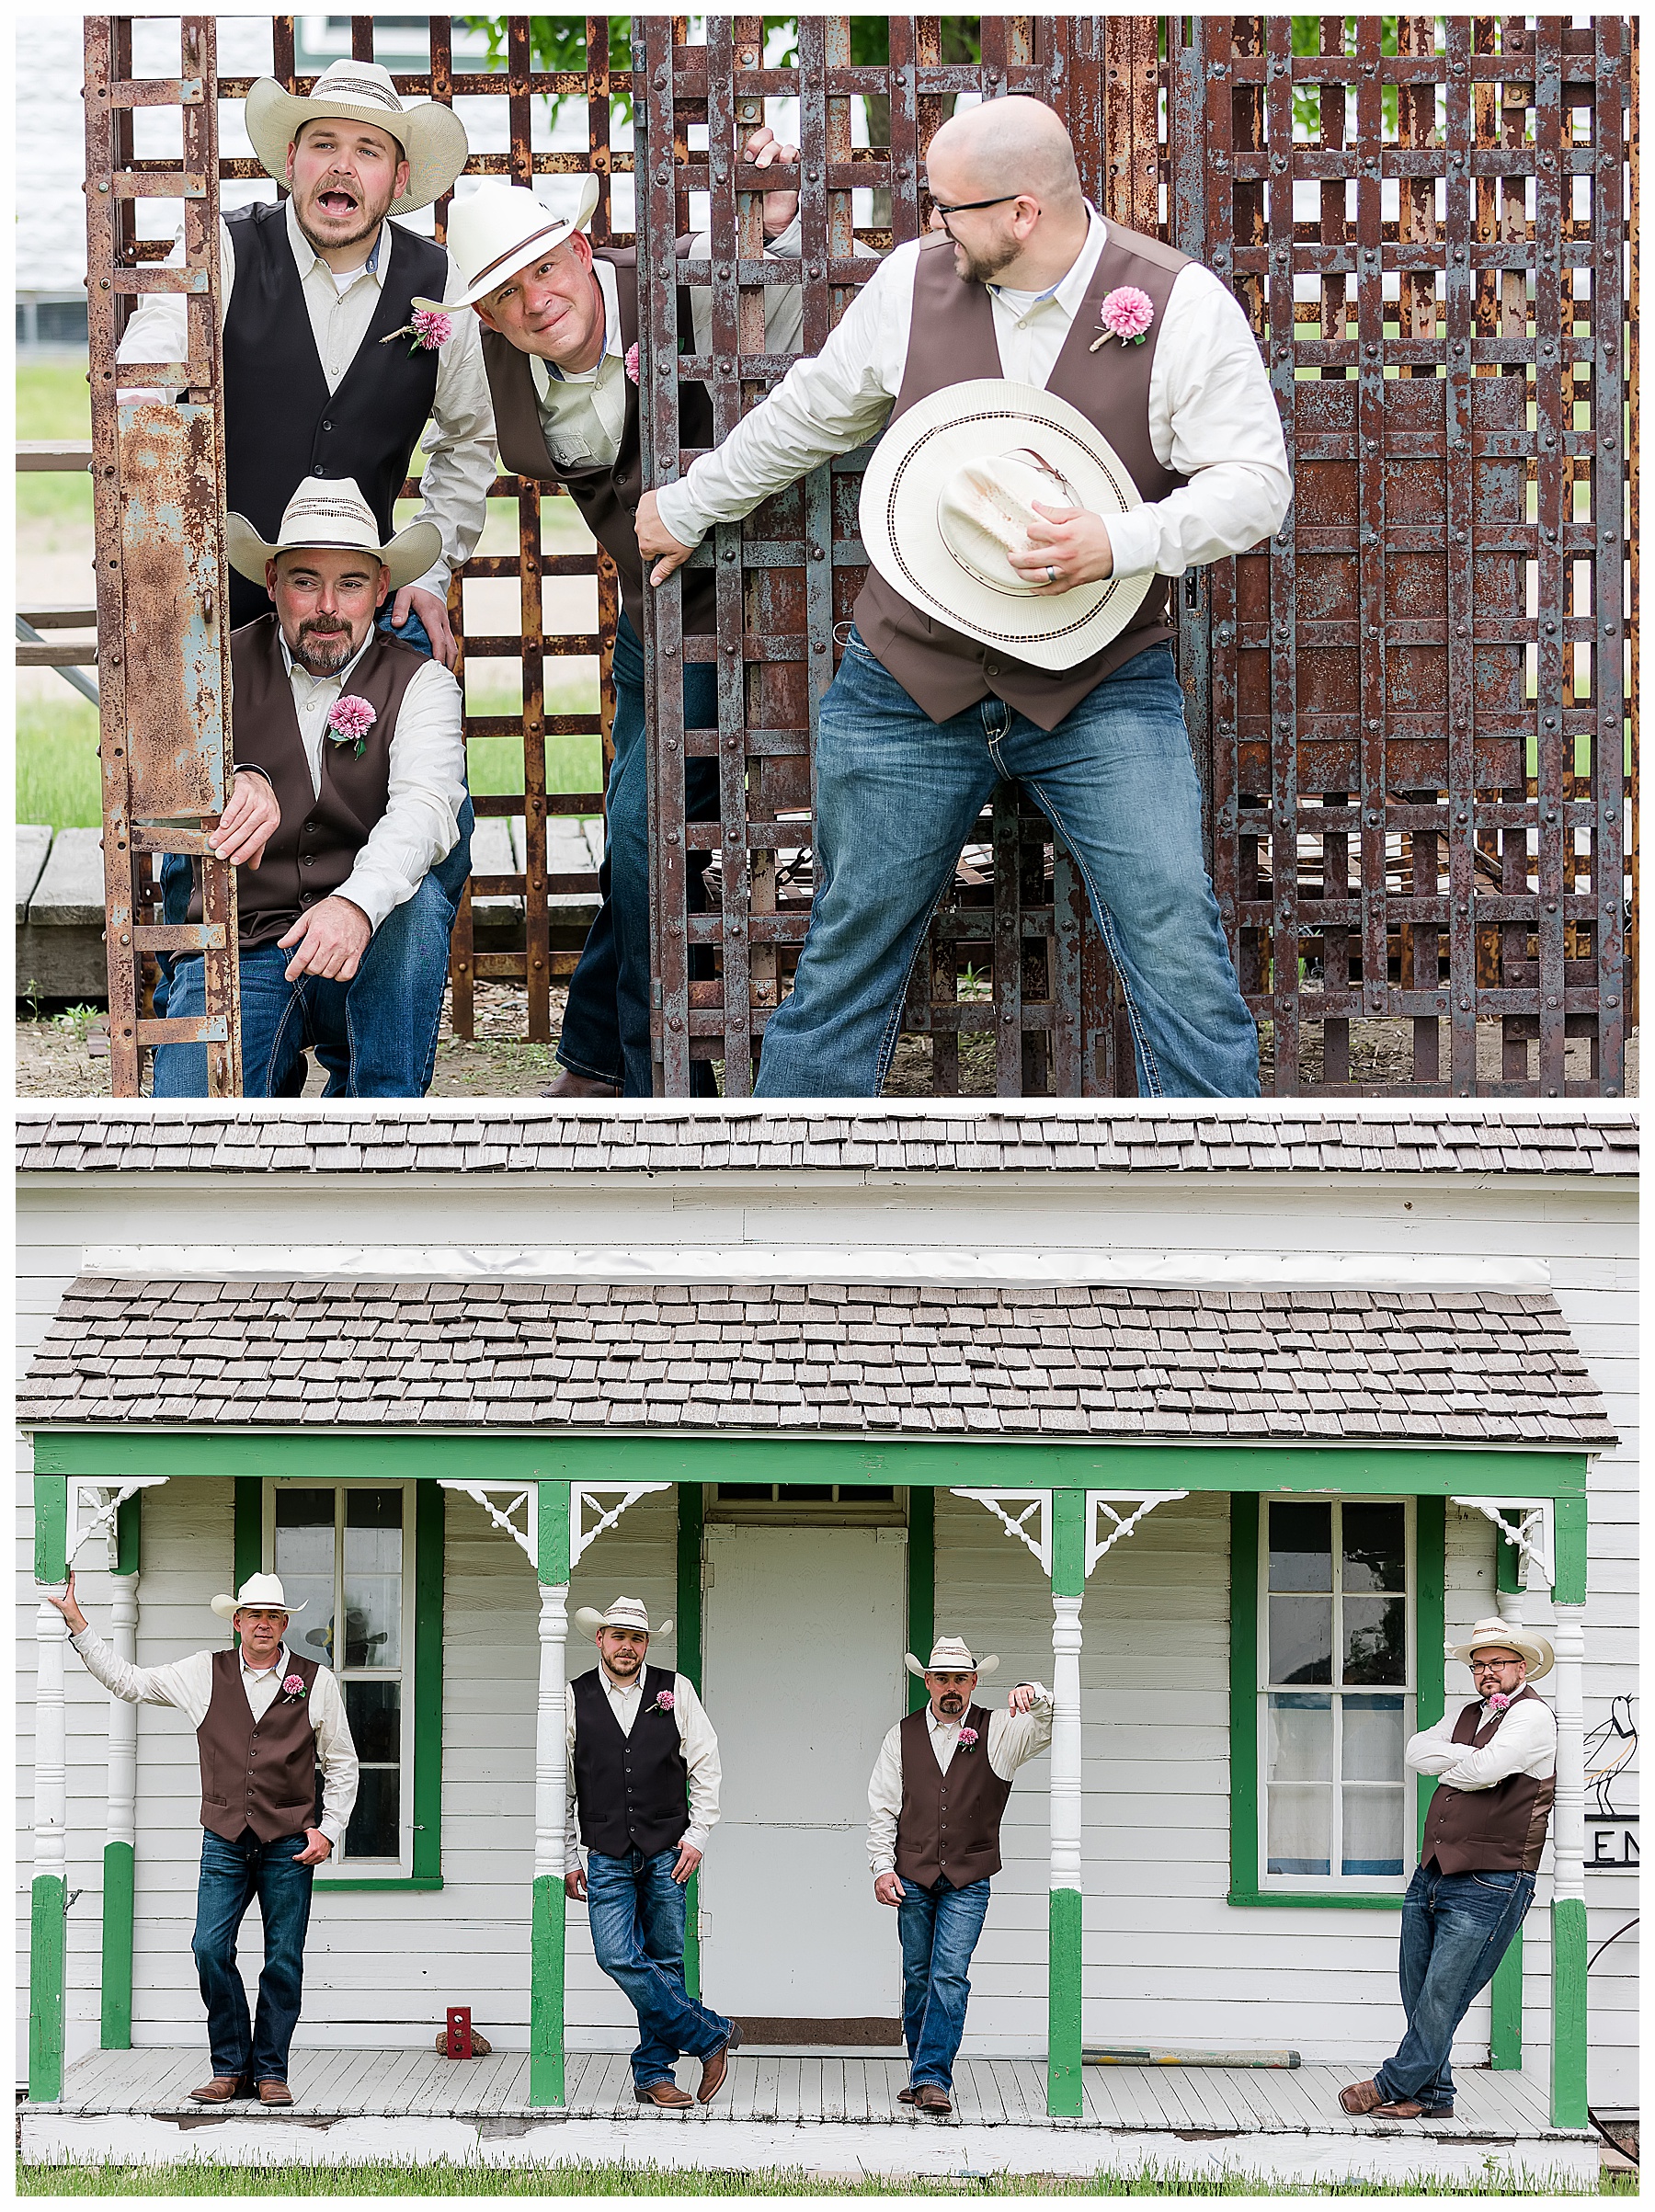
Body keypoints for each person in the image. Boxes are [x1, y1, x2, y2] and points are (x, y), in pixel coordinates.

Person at [638, 94, 1291, 1098]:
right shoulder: (913, 283)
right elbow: (813, 412)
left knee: (1173, 928)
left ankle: (1220, 1195)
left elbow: (1256, 484)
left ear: (1022, 212)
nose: (929, 226)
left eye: (948, 207)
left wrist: (1120, 541)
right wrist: (691, 504)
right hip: (910, 676)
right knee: (848, 944)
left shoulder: (1181, 303)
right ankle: (780, 1204)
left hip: (1099, 677)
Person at [447, 144, 806, 1096]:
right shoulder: (485, 365)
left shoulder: (682, 280)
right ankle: (601, 1055)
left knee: (647, 827)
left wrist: (786, 214)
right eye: (506, 296)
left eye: (545, 270)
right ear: (485, 314)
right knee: (634, 826)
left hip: (745, 611)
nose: (535, 303)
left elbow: (809, 318)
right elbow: (440, 455)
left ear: (579, 245)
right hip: (650, 621)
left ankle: (657, 1077)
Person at [117, 57, 488, 968]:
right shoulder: (227, 249)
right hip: (222, 588)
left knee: (408, 796)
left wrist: (429, 571)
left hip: (350, 599)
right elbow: (142, 387)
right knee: (203, 799)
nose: (341, 168)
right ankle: (204, 996)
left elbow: (469, 444)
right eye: (323, 143)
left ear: (399, 178)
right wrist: (174, 549)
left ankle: (357, 993)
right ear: (291, 159)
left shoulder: (441, 288)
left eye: (368, 151)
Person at [151, 479, 467, 1098]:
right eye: (304, 581)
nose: (327, 605)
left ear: (381, 589)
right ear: (271, 583)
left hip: (368, 936)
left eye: (350, 583)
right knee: (188, 1126)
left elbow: (427, 812)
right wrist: (224, 783)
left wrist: (354, 904)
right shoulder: (211, 666)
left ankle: (379, 1126)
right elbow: (153, 778)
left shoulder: (423, 683)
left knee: (420, 904)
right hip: (241, 938)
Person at [46, 1571, 358, 2108]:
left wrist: (329, 1829)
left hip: (289, 1842)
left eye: (274, 1616)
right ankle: (230, 2066)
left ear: (285, 1624)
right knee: (209, 1948)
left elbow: (343, 1764)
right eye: (253, 1615)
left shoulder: (317, 1681)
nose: (264, 1624)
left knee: (283, 1958)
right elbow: (129, 1682)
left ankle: (270, 2072)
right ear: (237, 1622)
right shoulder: (202, 1673)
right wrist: (79, 1624)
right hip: (225, 1839)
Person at [1340, 1619, 1558, 2122]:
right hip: (1433, 1871)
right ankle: (1433, 2096)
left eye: (1498, 1663)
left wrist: (1458, 1764)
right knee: (1416, 1987)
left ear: (1520, 1667)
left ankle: (1391, 2082)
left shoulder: (1534, 1717)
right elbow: (1417, 1751)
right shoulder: (1465, 1714)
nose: (1487, 1672)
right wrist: (1469, 1759)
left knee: (1444, 1991)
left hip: (1494, 1876)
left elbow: (1486, 1771)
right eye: (1479, 1664)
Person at [565, 1596, 740, 2107]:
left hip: (668, 1848)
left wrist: (698, 1835)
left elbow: (706, 1765)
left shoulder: (675, 1690)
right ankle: (710, 2033)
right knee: (615, 1954)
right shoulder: (573, 1697)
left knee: (667, 1960)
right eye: (617, 1636)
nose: (627, 1646)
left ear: (646, 1644)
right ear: (599, 1640)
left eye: (636, 1638)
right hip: (605, 1850)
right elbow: (562, 1785)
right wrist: (566, 1857)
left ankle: (653, 2074)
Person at [867, 1636, 1053, 2115]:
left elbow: (1052, 1725)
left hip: (969, 1876)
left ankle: (932, 2078)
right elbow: (883, 1808)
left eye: (960, 1679)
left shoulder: (1000, 1731)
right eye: (942, 1678)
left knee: (949, 1975)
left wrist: (1035, 1693)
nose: (951, 1688)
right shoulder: (900, 1735)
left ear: (974, 1682)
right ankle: (922, 2071)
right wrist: (882, 1867)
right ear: (927, 1682)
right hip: (911, 1874)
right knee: (917, 1976)